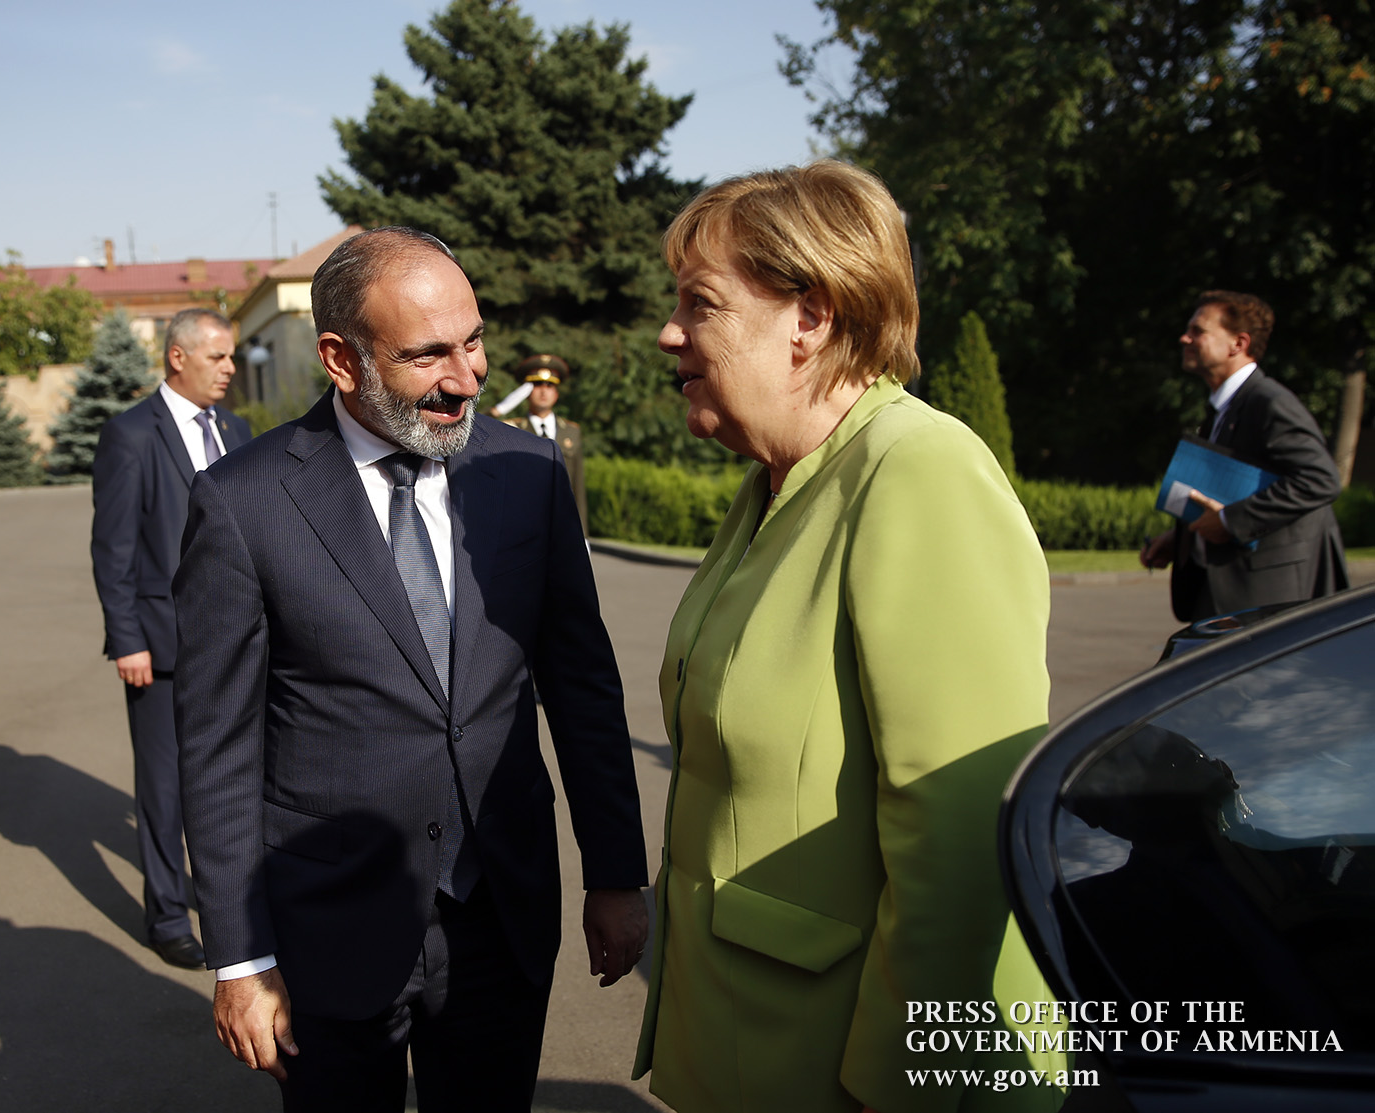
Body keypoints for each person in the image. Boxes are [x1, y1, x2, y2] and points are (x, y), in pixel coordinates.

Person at [172, 226, 648, 1111]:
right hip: (328, 925)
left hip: (500, 913)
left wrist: (616, 871)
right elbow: (217, 748)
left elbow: (582, 685)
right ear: (341, 360)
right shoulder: (243, 503)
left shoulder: (528, 471)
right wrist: (240, 957)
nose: (466, 377)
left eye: (474, 341)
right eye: (428, 354)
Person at [633, 162, 1065, 1112]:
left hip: (853, 1066)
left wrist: (898, 1088)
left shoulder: (918, 471)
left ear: (812, 317)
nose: (669, 331)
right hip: (754, 1032)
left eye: (701, 303)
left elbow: (958, 830)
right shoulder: (776, 482)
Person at [90, 308, 252, 969]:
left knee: (234, 779)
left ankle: (232, 905)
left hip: (236, 641)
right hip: (159, 647)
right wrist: (126, 637)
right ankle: (165, 914)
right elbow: (113, 549)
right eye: (218, 357)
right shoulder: (131, 434)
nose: (230, 368)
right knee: (164, 789)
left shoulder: (236, 430)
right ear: (178, 357)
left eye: (232, 356)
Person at [1140, 291, 1347, 620]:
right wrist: (1182, 537)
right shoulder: (1222, 408)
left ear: (1238, 343)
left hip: (1271, 598)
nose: (1184, 338)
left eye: (1197, 331)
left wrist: (1229, 521)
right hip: (1229, 595)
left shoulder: (1269, 402)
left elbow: (1320, 479)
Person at [502, 354, 588, 533]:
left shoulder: (571, 432)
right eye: (536, 385)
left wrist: (583, 535)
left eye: (549, 386)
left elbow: (578, 488)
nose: (543, 391)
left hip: (562, 527)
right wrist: (499, 409)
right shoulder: (510, 430)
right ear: (525, 392)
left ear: (556, 394)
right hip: (522, 527)